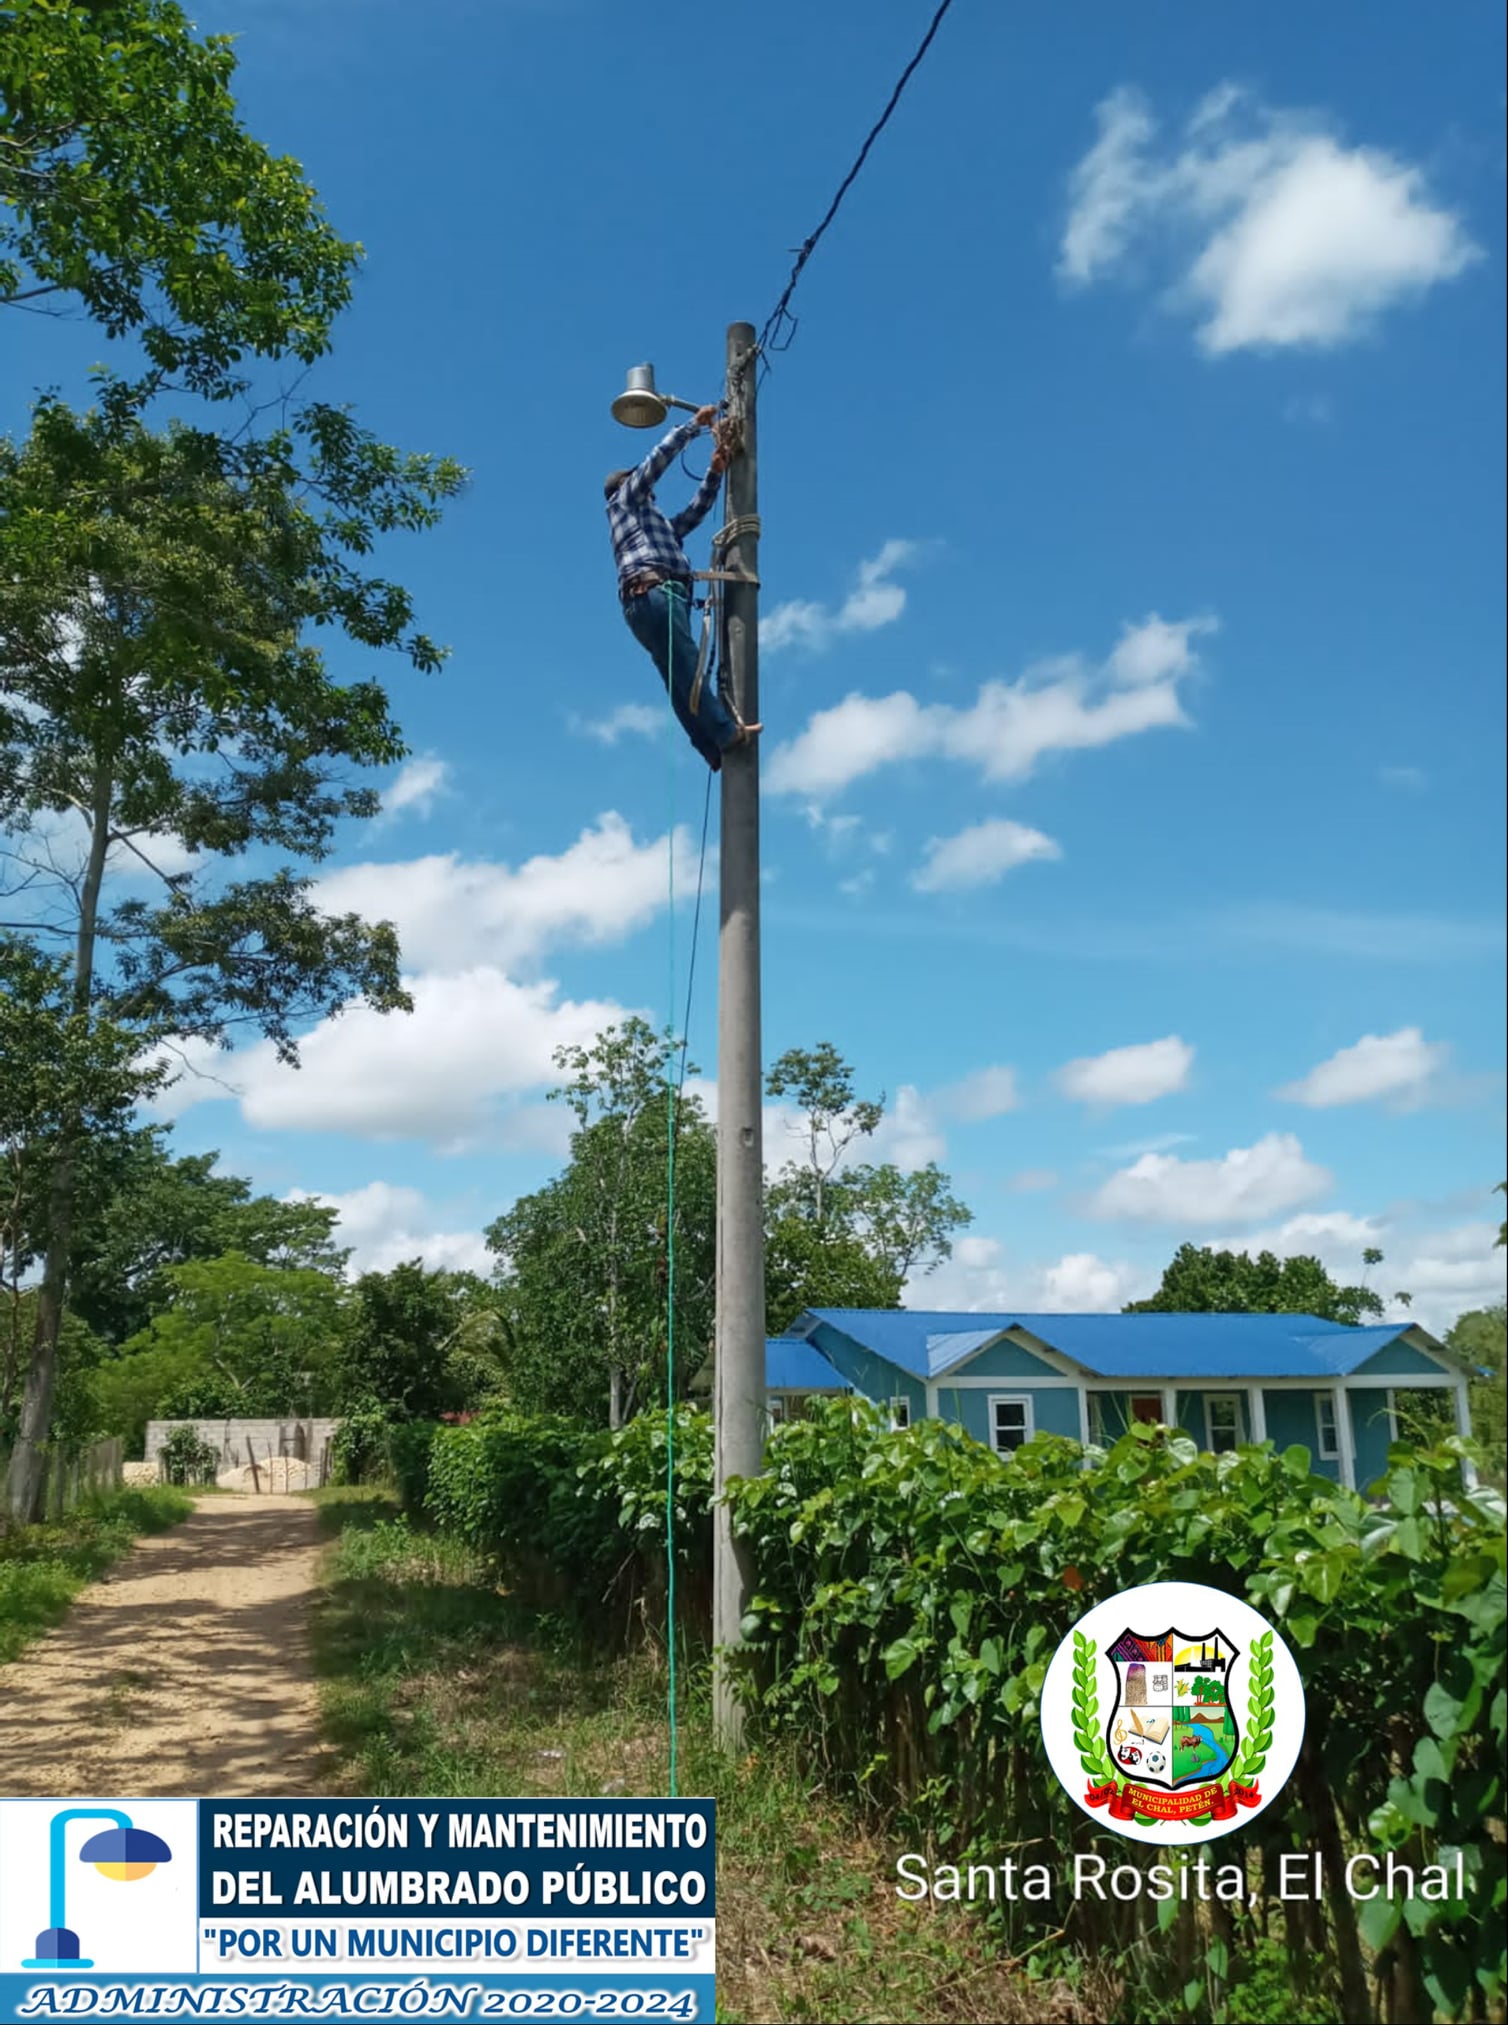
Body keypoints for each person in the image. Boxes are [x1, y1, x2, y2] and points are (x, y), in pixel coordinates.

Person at [605, 405, 761, 771]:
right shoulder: (624, 503)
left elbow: (693, 515)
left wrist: (714, 472)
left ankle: (709, 745)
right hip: (653, 593)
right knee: (686, 667)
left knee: (678, 678)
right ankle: (724, 734)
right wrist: (693, 425)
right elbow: (656, 462)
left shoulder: (649, 525)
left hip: (652, 599)